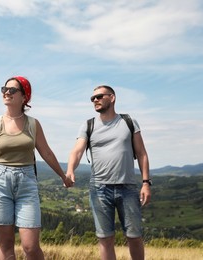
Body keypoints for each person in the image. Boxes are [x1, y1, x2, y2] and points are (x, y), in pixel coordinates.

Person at [0, 76, 74, 260]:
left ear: (24, 97)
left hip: (27, 183)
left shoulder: (33, 124)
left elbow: (46, 153)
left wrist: (63, 176)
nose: (7, 92)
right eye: (4, 89)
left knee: (30, 247)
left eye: (13, 90)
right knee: (6, 248)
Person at [66, 85, 151, 260]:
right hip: (99, 189)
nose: (95, 100)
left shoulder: (129, 122)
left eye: (99, 96)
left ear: (112, 98)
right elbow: (77, 150)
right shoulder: (88, 125)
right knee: (105, 239)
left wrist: (145, 183)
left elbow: (142, 153)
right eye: (92, 98)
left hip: (128, 187)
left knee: (134, 236)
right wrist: (70, 170)